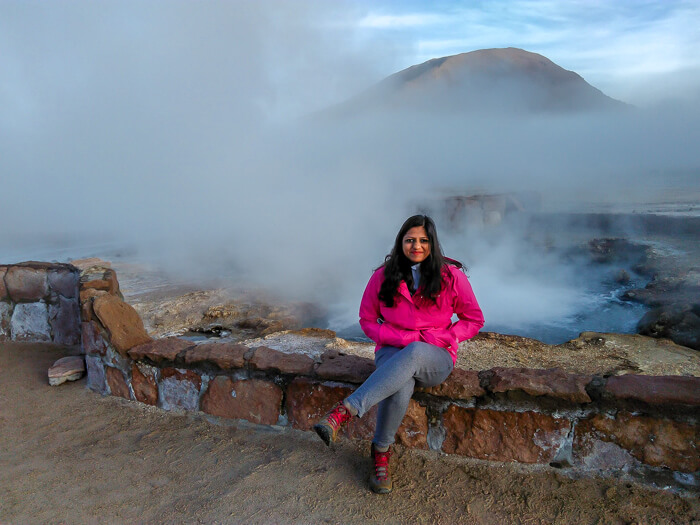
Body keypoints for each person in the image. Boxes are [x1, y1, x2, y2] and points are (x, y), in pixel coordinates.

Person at [313, 214, 484, 494]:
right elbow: (367, 320)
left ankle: (344, 412)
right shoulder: (383, 275)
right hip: (391, 351)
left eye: (423, 240)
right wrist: (397, 337)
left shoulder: (451, 276)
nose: (416, 246)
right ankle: (380, 454)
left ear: (432, 243)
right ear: (401, 242)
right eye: (410, 240)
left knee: (416, 351)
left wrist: (446, 336)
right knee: (401, 384)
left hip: (435, 356)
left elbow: (474, 319)